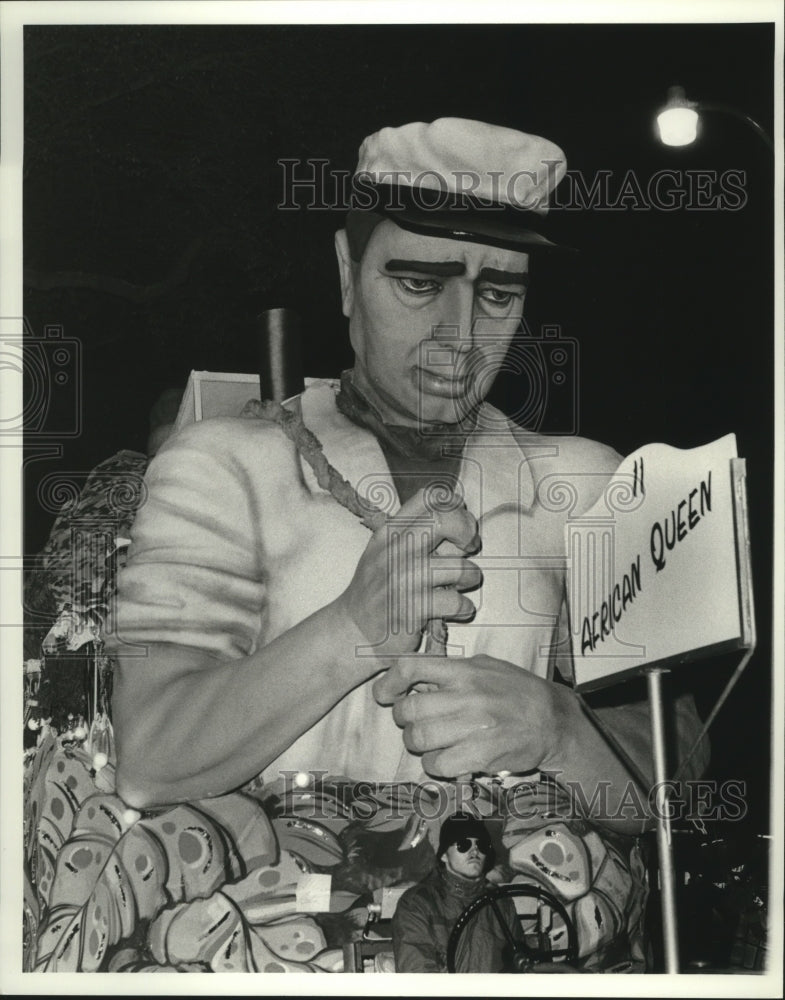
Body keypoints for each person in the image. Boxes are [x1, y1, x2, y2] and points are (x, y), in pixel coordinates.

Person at [107, 118, 708, 968]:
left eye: (499, 293)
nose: (462, 337)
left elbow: (676, 786)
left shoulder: (589, 481)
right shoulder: (223, 466)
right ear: (348, 278)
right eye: (420, 284)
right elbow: (150, 757)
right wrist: (350, 630)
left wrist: (559, 727)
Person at [392, 811, 522, 973]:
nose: (475, 852)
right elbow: (419, 977)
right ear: (444, 855)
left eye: (481, 845)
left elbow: (520, 968)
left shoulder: (501, 903)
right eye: (463, 845)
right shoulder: (418, 903)